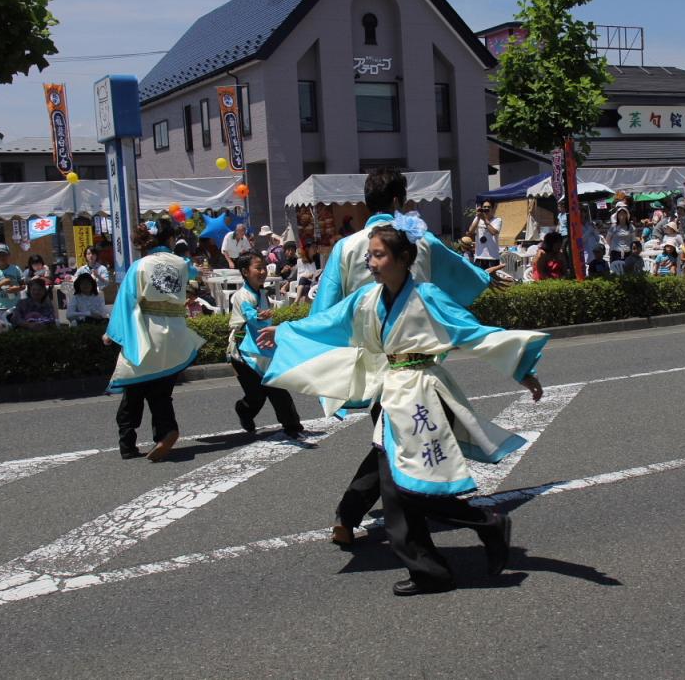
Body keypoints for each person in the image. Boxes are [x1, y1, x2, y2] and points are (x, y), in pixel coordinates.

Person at [259, 221, 547, 595]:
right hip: (391, 393)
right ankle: (450, 553)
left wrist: (523, 371)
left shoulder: (427, 296)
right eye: (369, 256)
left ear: (403, 258)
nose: (371, 262)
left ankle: (462, 543)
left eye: (378, 255)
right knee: (402, 489)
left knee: (406, 490)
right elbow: (328, 321)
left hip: (424, 395)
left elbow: (474, 333)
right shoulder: (366, 299)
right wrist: (284, 331)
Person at [259, 168, 504, 547]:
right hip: (413, 364)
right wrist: (486, 278)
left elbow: (327, 310)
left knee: (392, 441)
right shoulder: (417, 240)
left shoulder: (347, 247)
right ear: (397, 200)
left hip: (367, 360)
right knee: (397, 445)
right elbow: (460, 274)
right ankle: (458, 520)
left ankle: (364, 518)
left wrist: (300, 340)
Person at [103, 219, 206, 461]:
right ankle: (165, 431)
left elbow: (126, 300)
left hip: (146, 333)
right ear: (170, 239)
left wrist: (112, 331)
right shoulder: (181, 263)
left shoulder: (139, 266)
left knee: (134, 389)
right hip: (175, 334)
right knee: (161, 391)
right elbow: (195, 273)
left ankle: (127, 443)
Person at [228, 252, 305, 439]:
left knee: (276, 386)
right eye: (258, 268)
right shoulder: (242, 296)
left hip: (263, 346)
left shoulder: (262, 293)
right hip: (243, 352)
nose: (263, 271)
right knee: (256, 396)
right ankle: (244, 410)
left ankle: (292, 426)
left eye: (264, 267)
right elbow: (250, 315)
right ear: (245, 272)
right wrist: (258, 317)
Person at [0, 244, 24, 316]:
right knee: (3, 323)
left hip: (16, 305)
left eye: (4, 255)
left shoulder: (16, 269)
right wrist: (2, 283)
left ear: (8, 255)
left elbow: (23, 285)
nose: (2, 257)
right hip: (0, 307)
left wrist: (16, 288)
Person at [468, 200, 502, 269]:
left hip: (492, 257)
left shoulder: (497, 220)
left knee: (492, 276)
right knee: (478, 276)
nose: (486, 209)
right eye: (484, 207)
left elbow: (493, 232)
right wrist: (478, 217)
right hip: (479, 256)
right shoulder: (477, 219)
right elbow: (470, 231)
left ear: (493, 209)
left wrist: (484, 219)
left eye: (488, 207)